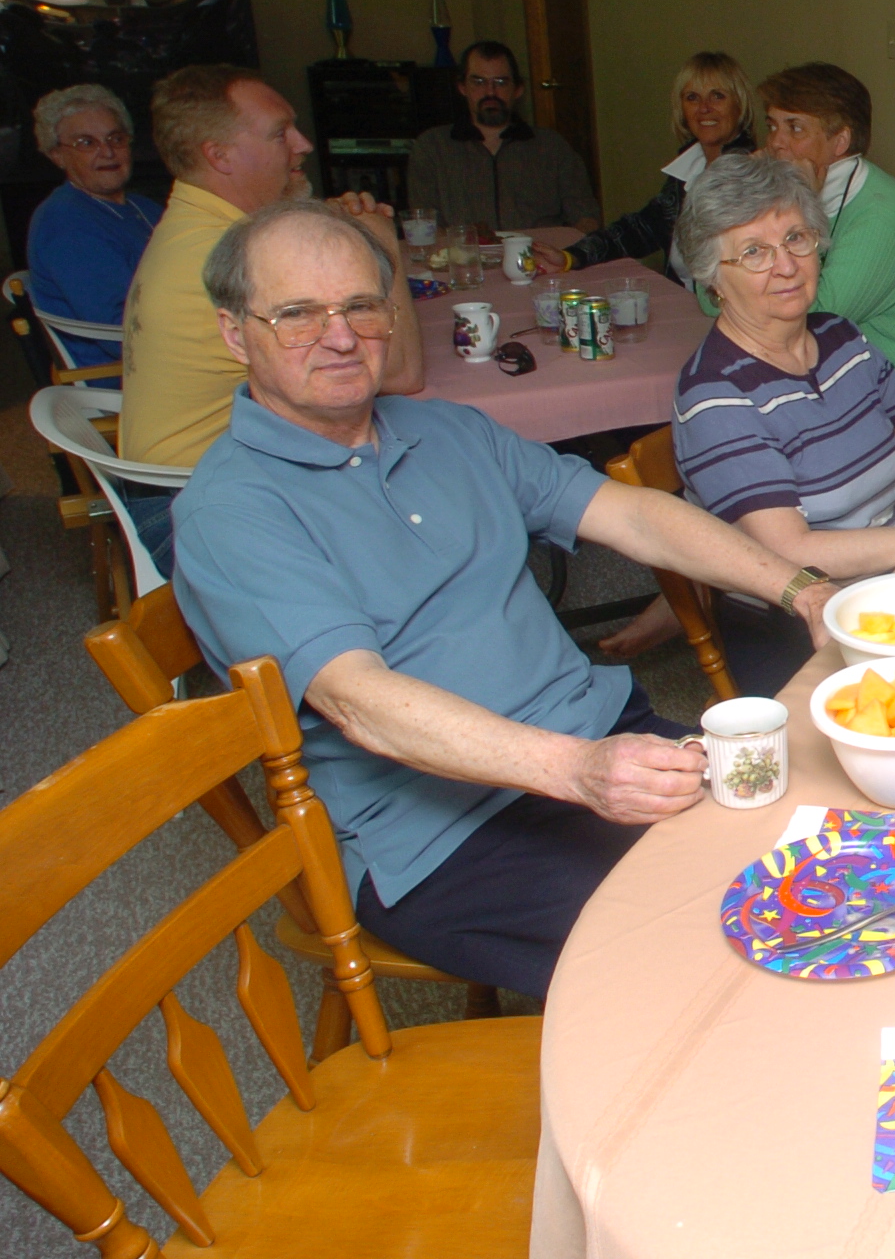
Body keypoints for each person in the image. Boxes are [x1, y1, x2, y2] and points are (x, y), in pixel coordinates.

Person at [171, 201, 835, 998]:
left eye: (361, 307)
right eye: (298, 315)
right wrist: (578, 770)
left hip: (596, 741)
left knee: (821, 853)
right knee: (726, 952)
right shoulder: (231, 512)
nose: (341, 337)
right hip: (448, 833)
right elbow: (358, 701)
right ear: (234, 332)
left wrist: (800, 590)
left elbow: (632, 515)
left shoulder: (447, 432)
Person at [670, 155, 895, 695]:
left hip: (893, 587)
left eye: (796, 238)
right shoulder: (715, 394)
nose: (786, 265)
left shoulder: (837, 337)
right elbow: (791, 550)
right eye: (753, 252)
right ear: (712, 278)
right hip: (796, 629)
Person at [122, 64, 424, 471]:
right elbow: (401, 374)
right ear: (219, 155)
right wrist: (378, 237)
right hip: (194, 486)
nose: (304, 144)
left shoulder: (192, 224)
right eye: (280, 133)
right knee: (435, 458)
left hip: (192, 465)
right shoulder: (228, 251)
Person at [756, 62, 895, 401]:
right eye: (772, 126)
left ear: (840, 141)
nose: (775, 143)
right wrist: (745, 206)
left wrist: (797, 212)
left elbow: (809, 319)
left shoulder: (882, 217)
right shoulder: (813, 197)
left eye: (795, 128)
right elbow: (719, 291)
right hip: (848, 380)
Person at [541, 51, 755, 279]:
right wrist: (571, 257)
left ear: (739, 105)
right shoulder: (689, 169)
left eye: (718, 96)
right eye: (692, 97)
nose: (704, 108)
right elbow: (642, 229)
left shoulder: (751, 175)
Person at [25, 83, 160, 376]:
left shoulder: (142, 206)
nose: (107, 152)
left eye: (116, 138)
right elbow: (120, 330)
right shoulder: (66, 223)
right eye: (86, 143)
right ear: (57, 155)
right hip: (129, 374)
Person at [405, 40, 602, 233]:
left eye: (500, 82)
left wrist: (569, 248)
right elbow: (425, 223)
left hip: (541, 252)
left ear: (518, 89)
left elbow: (586, 217)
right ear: (462, 87)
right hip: (463, 253)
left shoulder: (551, 146)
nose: (490, 92)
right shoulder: (432, 148)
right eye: (479, 82)